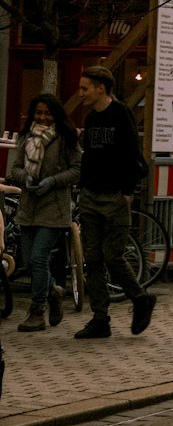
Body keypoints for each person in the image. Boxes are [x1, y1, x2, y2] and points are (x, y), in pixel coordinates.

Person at [74, 66, 155, 340]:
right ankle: (100, 318)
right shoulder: (91, 119)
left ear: (101, 88)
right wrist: (83, 187)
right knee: (93, 258)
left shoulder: (121, 114)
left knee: (113, 254)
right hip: (90, 196)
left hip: (115, 197)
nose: (81, 93)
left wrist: (126, 192)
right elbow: (89, 157)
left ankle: (140, 297)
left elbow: (132, 152)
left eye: (85, 88)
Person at [8, 93, 81, 332]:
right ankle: (53, 290)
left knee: (39, 258)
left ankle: (37, 311)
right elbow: (15, 168)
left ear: (56, 114)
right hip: (29, 207)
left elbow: (77, 170)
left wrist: (53, 181)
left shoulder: (66, 138)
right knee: (29, 262)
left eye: (48, 113)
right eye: (39, 112)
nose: (43, 117)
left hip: (54, 209)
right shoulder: (26, 136)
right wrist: (25, 178)